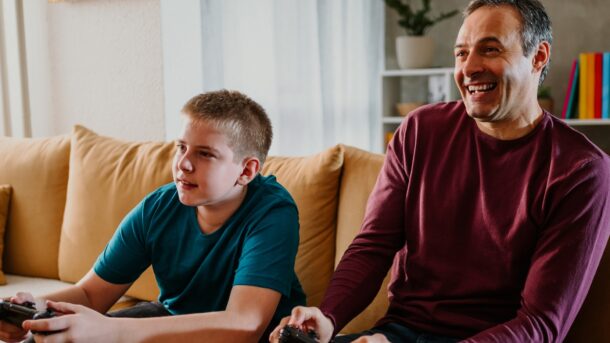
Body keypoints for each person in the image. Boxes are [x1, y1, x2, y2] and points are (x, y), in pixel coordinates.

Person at [270, 0, 610, 342]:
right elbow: (373, 245)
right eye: (461, 53)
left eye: (490, 50)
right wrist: (328, 316)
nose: (469, 68)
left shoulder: (581, 170)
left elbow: (540, 324)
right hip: (398, 332)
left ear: (538, 56)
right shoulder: (420, 130)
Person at [0, 90, 305, 343]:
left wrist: (111, 331)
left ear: (247, 170)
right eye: (181, 148)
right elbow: (91, 295)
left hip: (257, 337)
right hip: (172, 320)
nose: (183, 164)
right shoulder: (157, 208)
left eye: (205, 154)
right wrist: (37, 309)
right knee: (43, 337)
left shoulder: (273, 212)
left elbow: (244, 325)